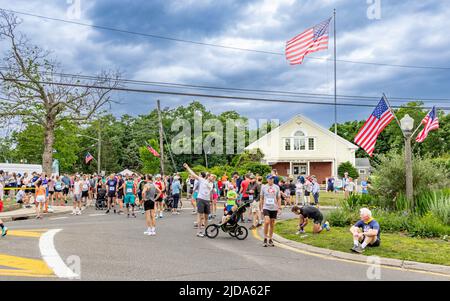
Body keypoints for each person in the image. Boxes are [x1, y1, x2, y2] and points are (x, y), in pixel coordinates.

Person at [183, 163, 213, 238]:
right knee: (200, 216)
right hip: (200, 199)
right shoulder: (202, 180)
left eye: (213, 177)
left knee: (206, 217)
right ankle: (199, 232)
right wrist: (187, 167)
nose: (212, 177)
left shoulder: (212, 184)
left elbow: (210, 192)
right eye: (211, 176)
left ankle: (206, 231)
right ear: (208, 176)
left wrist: (211, 200)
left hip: (207, 200)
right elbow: (193, 174)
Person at [260, 174, 281, 247]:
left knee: (272, 223)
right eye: (270, 179)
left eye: (272, 179)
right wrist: (261, 208)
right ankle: (265, 238)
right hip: (266, 207)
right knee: (266, 222)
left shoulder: (277, 187)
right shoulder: (264, 187)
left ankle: (270, 239)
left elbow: (278, 198)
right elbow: (261, 198)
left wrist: (279, 207)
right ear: (267, 179)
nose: (271, 180)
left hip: (274, 208)